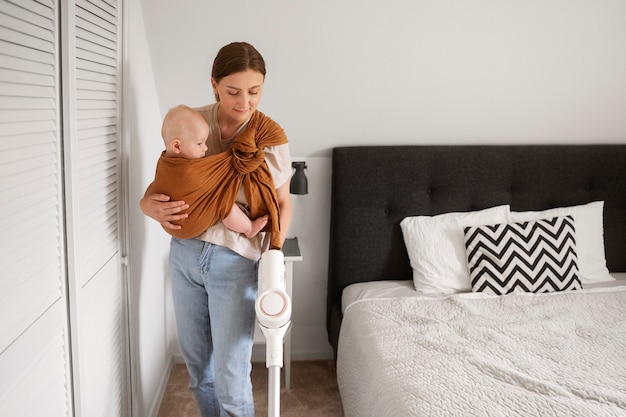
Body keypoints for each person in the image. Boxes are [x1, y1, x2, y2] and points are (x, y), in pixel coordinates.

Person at [140, 42, 292, 417]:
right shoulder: (192, 123)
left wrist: (274, 253)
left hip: (236, 261)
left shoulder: (268, 137)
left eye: (254, 92)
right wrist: (145, 204)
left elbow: (284, 203)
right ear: (214, 84)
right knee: (199, 373)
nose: (244, 102)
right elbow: (169, 177)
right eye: (233, 92)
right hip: (185, 254)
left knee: (231, 376)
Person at [154, 104, 268, 239]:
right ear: (177, 146)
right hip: (189, 224)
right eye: (199, 143)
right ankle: (249, 228)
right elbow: (219, 178)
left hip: (171, 226)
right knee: (223, 199)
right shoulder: (189, 171)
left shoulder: (163, 161)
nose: (206, 148)